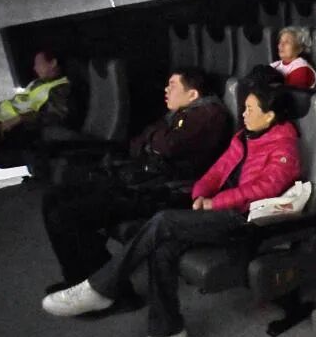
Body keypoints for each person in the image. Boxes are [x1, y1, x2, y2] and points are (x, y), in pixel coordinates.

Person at [41, 85, 300, 337]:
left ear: (270, 116)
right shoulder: (245, 137)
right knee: (163, 246)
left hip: (244, 220)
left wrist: (215, 202)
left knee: (164, 221)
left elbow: (264, 188)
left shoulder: (284, 148)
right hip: (218, 212)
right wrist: (201, 193)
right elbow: (217, 170)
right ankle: (166, 330)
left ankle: (101, 288)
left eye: (250, 109)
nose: (244, 113)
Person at [41, 67, 231, 299]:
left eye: (173, 85)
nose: (166, 89)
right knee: (52, 198)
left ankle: (113, 293)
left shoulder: (208, 114)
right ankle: (78, 280)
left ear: (192, 94)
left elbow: (168, 146)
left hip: (167, 191)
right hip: (144, 181)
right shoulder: (178, 114)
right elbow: (138, 143)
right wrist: (153, 141)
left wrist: (152, 141)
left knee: (68, 214)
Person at [0, 50, 73, 185]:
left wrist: (20, 119)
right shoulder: (37, 83)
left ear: (53, 63)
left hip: (11, 130)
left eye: (38, 63)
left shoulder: (60, 88)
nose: (35, 68)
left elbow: (55, 116)